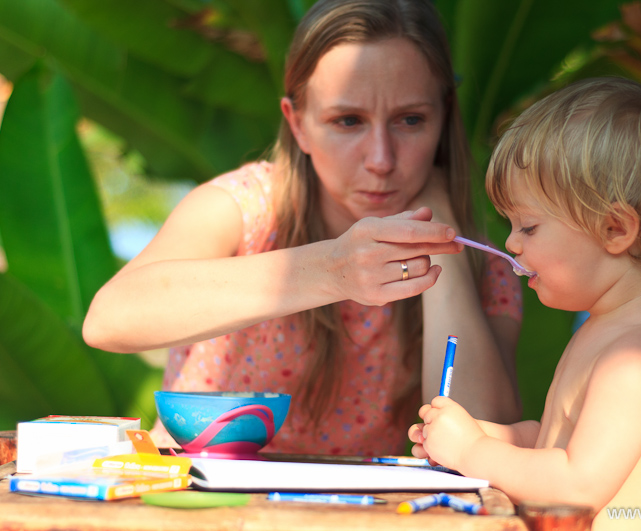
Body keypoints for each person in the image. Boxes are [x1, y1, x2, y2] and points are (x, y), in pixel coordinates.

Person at [83, 0, 523, 455]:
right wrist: (332, 270)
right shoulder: (245, 208)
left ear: (443, 118)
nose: (381, 159)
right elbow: (108, 320)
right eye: (348, 121)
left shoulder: (485, 262)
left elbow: (485, 436)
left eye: (410, 120)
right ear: (298, 125)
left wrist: (440, 228)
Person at [408, 77, 641, 530]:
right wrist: (482, 434)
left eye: (529, 227)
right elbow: (554, 443)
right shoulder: (607, 329)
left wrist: (473, 452)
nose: (511, 243)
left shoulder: (640, 356)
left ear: (616, 229)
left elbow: (578, 484)